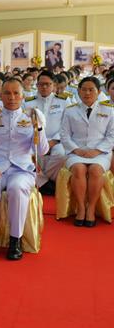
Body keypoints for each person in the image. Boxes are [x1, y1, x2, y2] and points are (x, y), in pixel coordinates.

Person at [0, 78, 49, 260]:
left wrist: (39, 129)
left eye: (16, 93)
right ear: (0, 96)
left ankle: (15, 240)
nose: (12, 97)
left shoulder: (30, 117)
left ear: (23, 95)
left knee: (17, 189)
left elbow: (42, 151)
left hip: (21, 169)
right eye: (7, 93)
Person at [61, 77, 114, 227]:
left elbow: (112, 135)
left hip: (100, 152)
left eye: (91, 90)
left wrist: (97, 151)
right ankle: (81, 208)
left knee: (96, 170)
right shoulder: (70, 111)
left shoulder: (109, 110)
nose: (87, 93)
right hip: (76, 151)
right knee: (78, 169)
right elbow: (64, 134)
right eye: (83, 89)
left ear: (98, 92)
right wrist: (76, 149)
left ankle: (91, 209)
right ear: (78, 91)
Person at [23, 70, 70, 195]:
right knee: (27, 156)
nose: (44, 87)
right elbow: (24, 124)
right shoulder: (28, 102)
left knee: (61, 154)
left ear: (53, 85)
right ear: (37, 85)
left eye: (48, 84)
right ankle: (46, 183)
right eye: (41, 84)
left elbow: (67, 125)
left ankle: (43, 181)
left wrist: (53, 142)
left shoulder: (63, 101)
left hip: (57, 140)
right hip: (35, 140)